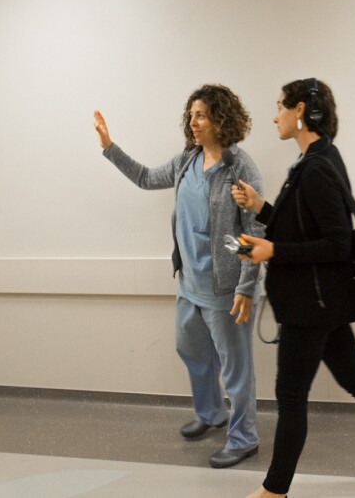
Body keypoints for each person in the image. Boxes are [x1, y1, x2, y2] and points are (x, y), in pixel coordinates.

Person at [231, 79, 355, 497]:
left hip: (311, 305)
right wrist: (260, 208)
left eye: (280, 107)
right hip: (325, 302)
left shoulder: (317, 166)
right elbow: (304, 227)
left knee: (290, 394)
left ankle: (274, 491)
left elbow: (337, 244)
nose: (275, 116)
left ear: (300, 110)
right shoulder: (318, 159)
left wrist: (273, 251)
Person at [93, 84, 263, 469]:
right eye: (191, 115)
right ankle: (212, 414)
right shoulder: (188, 159)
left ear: (220, 118)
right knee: (191, 351)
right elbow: (146, 178)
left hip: (225, 290)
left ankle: (244, 438)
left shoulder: (240, 168)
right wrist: (109, 146)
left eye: (200, 115)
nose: (193, 121)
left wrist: (245, 286)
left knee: (236, 371)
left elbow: (255, 233)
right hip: (189, 284)